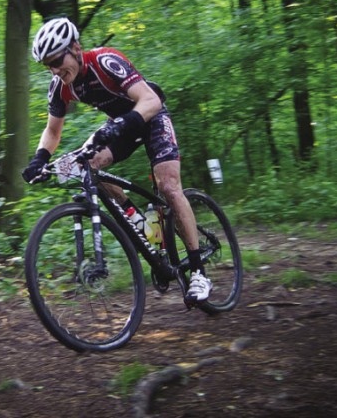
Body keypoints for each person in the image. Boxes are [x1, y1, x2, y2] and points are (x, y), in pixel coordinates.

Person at [22, 17, 212, 303]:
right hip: (120, 125)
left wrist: (125, 122)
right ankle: (144, 226)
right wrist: (39, 159)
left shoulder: (106, 61)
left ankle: (199, 272)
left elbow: (150, 101)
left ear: (75, 48)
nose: (54, 70)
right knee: (85, 163)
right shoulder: (59, 86)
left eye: (57, 60)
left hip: (151, 117)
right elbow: (52, 130)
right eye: (48, 65)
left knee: (169, 187)